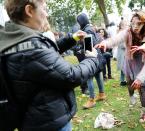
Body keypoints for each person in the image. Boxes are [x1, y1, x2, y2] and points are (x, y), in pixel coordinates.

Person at [0, 0, 102, 130]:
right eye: (44, 8)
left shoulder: (16, 40)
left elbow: (46, 58)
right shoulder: (31, 48)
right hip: (48, 122)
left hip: (33, 119)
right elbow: (71, 76)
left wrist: (72, 38)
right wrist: (92, 59)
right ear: (29, 11)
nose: (47, 14)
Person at [95, 10, 145, 122]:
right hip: (129, 60)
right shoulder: (128, 31)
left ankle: (144, 111)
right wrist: (105, 43)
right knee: (129, 83)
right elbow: (116, 38)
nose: (135, 26)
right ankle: (132, 96)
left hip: (142, 63)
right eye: (133, 23)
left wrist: (140, 78)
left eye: (139, 23)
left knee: (141, 87)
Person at [77, 13, 106, 109]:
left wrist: (80, 50)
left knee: (89, 77)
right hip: (98, 55)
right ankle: (101, 94)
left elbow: (88, 47)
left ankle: (91, 100)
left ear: (81, 22)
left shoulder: (87, 30)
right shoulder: (91, 28)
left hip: (92, 56)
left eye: (78, 22)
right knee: (98, 75)